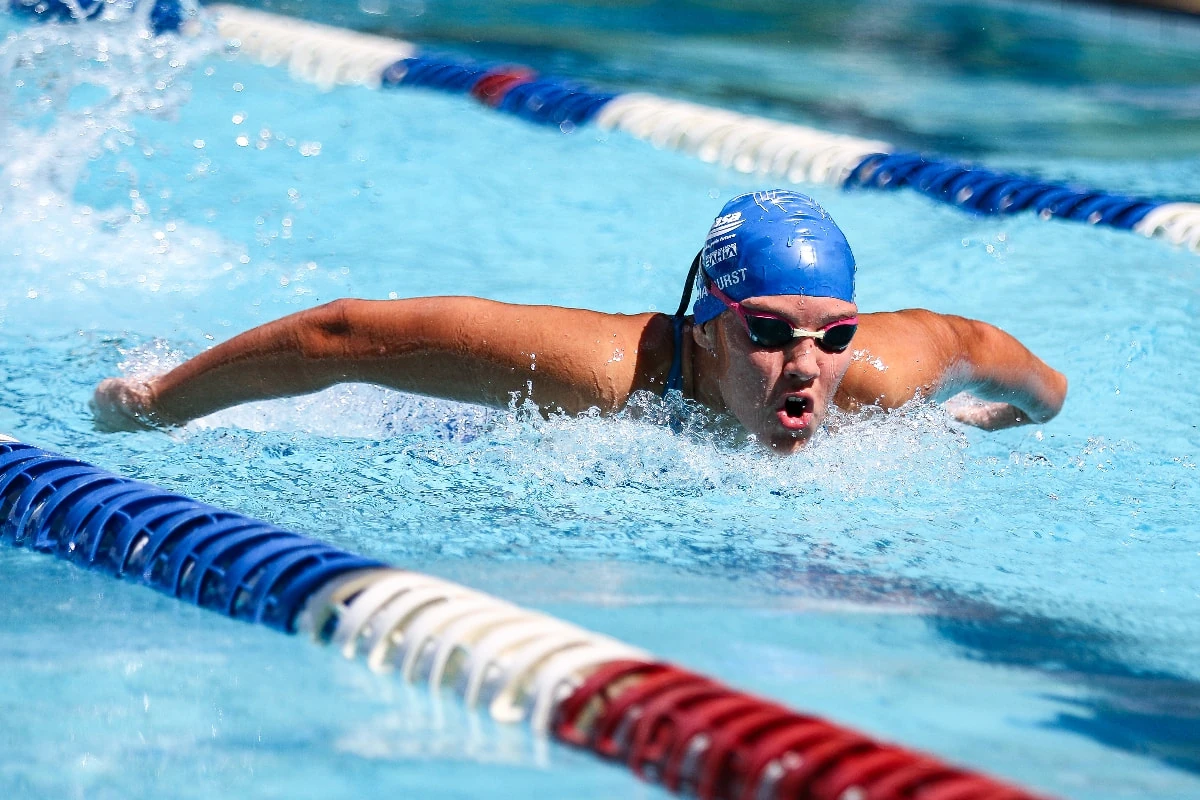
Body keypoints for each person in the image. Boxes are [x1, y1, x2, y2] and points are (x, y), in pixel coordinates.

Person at [92, 190, 1067, 454]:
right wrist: (160, 402)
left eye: (833, 334)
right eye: (769, 331)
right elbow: (346, 336)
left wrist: (1032, 410)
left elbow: (990, 352)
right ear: (705, 324)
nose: (808, 364)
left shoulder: (883, 378)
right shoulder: (605, 373)